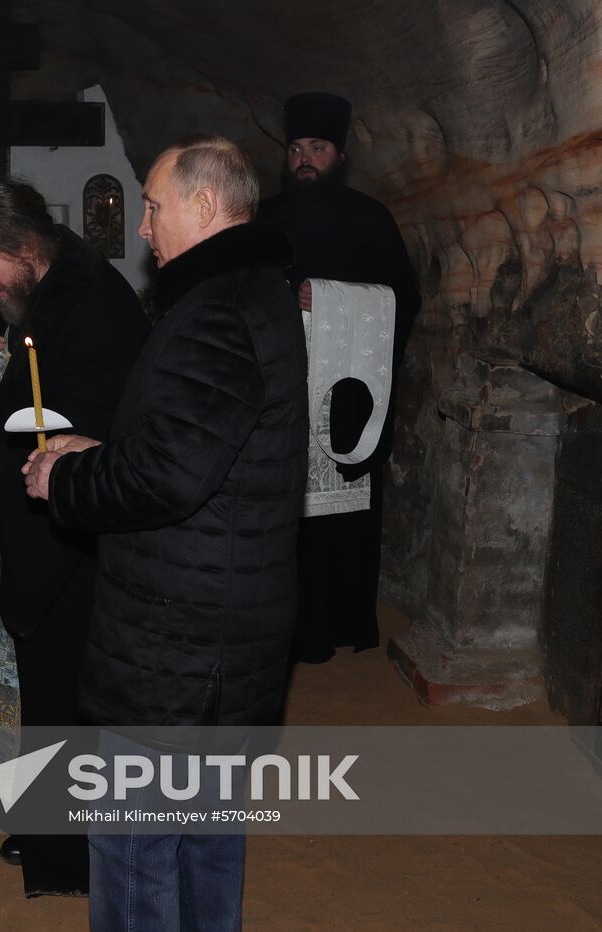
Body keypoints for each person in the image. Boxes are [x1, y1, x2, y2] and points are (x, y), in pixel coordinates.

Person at [23, 135, 308, 930]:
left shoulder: (214, 311)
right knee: (205, 836)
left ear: (205, 207)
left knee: (134, 846)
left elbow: (167, 479)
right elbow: (205, 445)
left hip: (177, 647)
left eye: (153, 206)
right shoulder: (254, 293)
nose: (143, 228)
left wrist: (66, 477)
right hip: (221, 625)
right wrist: (103, 447)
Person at [0, 174, 149, 896]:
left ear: (28, 246)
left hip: (68, 540)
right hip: (6, 527)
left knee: (59, 681)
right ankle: (5, 794)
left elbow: (80, 428)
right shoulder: (18, 291)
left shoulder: (96, 305)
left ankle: (60, 833)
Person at [257, 91, 421, 662]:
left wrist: (331, 299)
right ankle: (289, 630)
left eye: (317, 148)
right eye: (297, 148)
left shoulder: (370, 219)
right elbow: (238, 294)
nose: (305, 159)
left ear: (340, 155)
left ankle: (341, 621)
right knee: (283, 514)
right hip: (279, 394)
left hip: (345, 398)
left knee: (341, 518)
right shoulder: (265, 220)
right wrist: (284, 298)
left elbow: (405, 298)